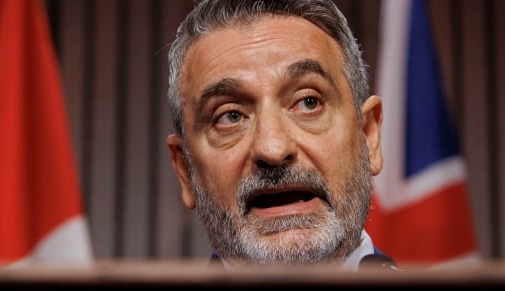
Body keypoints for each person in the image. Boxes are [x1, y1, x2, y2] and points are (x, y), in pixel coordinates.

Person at [166, 0, 395, 270]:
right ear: (186, 170)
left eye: (309, 102)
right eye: (230, 116)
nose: (272, 148)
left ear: (368, 136)